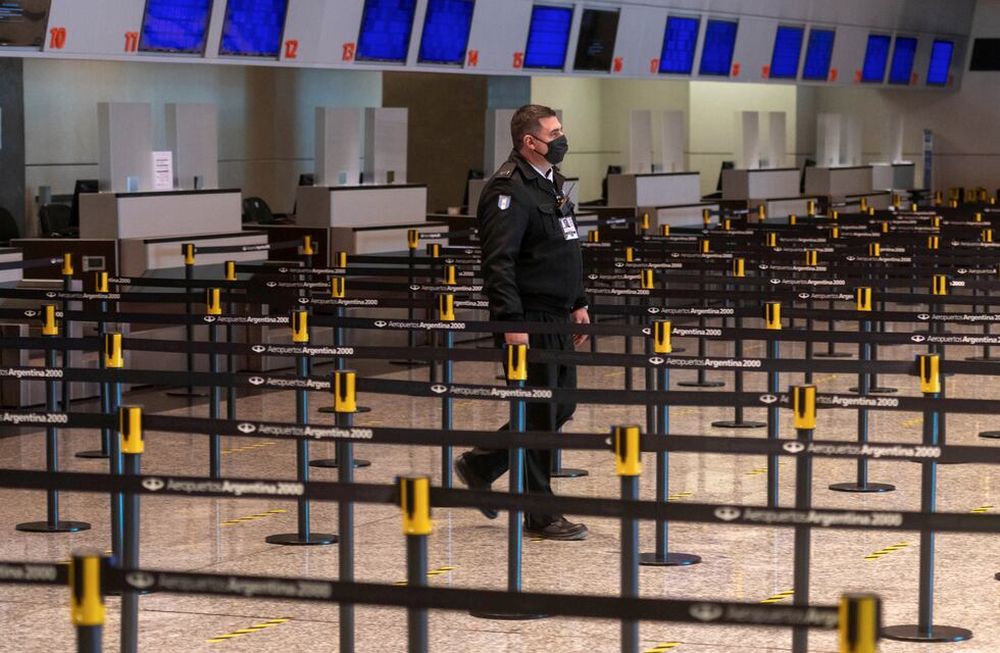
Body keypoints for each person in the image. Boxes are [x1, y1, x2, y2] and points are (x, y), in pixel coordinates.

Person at [455, 104, 590, 541]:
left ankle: (481, 463)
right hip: (530, 317)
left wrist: (579, 301)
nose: (561, 138)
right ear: (529, 141)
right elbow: (500, 264)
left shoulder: (550, 184)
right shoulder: (507, 190)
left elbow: (566, 249)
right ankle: (541, 513)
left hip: (558, 313)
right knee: (539, 409)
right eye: (553, 133)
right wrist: (511, 322)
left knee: (559, 405)